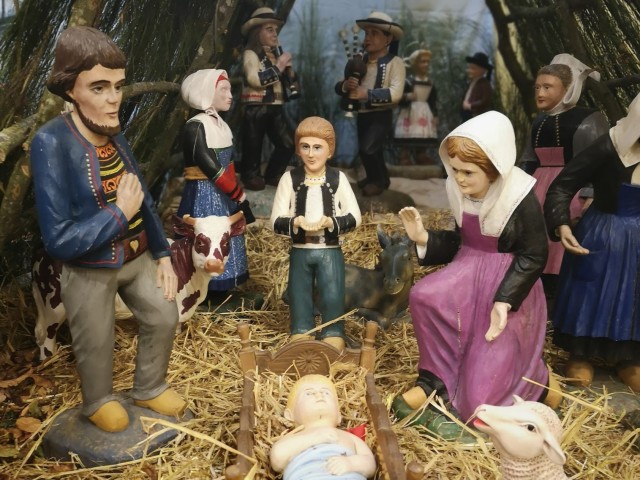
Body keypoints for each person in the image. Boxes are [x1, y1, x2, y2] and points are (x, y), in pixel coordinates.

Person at [30, 26, 185, 432]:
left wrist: (163, 254)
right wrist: (118, 214)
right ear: (70, 90)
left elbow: (142, 198)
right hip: (89, 268)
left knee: (164, 314)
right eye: (99, 88)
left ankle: (149, 386)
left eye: (117, 86)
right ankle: (97, 400)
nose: (114, 98)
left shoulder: (113, 132)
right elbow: (58, 239)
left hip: (136, 256)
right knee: (95, 339)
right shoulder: (51, 142)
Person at [391, 111, 559, 440]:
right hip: (467, 270)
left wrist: (504, 300)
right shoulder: (459, 190)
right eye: (454, 170)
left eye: (468, 172)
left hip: (507, 282)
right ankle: (435, 380)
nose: (460, 179)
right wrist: (424, 237)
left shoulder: (518, 197)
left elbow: (535, 254)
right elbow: (461, 241)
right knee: (424, 296)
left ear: (494, 168)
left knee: (480, 403)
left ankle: (538, 383)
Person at [544, 92, 640, 392]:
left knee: (634, 296)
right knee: (590, 292)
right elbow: (563, 185)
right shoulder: (608, 146)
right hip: (605, 231)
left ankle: (628, 357)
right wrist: (561, 223)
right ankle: (580, 354)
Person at [518, 54, 609, 298]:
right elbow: (529, 158)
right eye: (537, 87)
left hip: (570, 190)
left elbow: (598, 163)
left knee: (564, 241)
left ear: (567, 89)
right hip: (537, 189)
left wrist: (590, 195)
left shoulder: (589, 119)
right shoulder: (539, 122)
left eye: (548, 87)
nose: (540, 93)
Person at [270, 117, 361, 352]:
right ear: (298, 149)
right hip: (300, 250)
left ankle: (333, 331)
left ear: (330, 151)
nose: (311, 154)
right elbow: (275, 220)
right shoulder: (289, 179)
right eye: (305, 147)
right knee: (299, 293)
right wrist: (295, 222)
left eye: (318, 147)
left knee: (332, 292)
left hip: (329, 250)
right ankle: (301, 330)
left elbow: (355, 216)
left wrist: (332, 222)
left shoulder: (337, 179)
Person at [177, 69, 255, 302]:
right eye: (223, 90)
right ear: (207, 93)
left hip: (224, 194)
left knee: (225, 236)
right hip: (204, 194)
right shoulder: (196, 127)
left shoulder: (222, 126)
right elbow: (213, 169)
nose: (230, 95)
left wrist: (236, 195)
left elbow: (228, 166)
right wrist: (237, 194)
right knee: (205, 236)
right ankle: (202, 288)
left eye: (229, 90)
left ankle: (223, 286)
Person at [335, 11, 405, 197]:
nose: (368, 38)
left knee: (368, 149)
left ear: (388, 39)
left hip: (381, 114)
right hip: (363, 113)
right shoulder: (360, 61)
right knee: (372, 149)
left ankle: (376, 181)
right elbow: (341, 84)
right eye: (366, 33)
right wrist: (346, 85)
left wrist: (367, 94)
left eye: (375, 33)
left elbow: (396, 93)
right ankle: (382, 178)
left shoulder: (395, 63)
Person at [270, 374, 376, 480]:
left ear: (339, 416)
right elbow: (277, 460)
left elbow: (370, 463)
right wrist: (314, 438)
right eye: (309, 393)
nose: (319, 395)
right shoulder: (294, 438)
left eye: (326, 393)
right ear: (290, 415)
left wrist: (351, 463)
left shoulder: (350, 437)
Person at [239, 7, 296, 191]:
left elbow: (287, 82)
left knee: (287, 143)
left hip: (275, 105)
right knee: (253, 144)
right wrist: (279, 67)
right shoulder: (251, 54)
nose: (274, 34)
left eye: (275, 30)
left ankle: (273, 174)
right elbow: (254, 79)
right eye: (269, 29)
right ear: (257, 32)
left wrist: (290, 72)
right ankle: (251, 175)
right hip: (256, 105)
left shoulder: (275, 55)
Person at [394, 48, 439, 165]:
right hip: (410, 112)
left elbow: (433, 100)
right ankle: (404, 155)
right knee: (408, 132)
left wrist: (435, 114)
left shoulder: (430, 83)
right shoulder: (408, 82)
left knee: (423, 133)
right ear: (415, 64)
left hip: (424, 112)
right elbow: (398, 97)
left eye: (427, 62)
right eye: (422, 61)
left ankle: (421, 154)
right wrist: (407, 96)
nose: (426, 64)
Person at [461, 52, 493, 121]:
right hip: (468, 115)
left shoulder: (484, 84)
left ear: (483, 70)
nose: (469, 71)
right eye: (469, 68)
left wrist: (470, 105)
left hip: (477, 116)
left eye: (473, 68)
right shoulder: (472, 82)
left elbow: (484, 101)